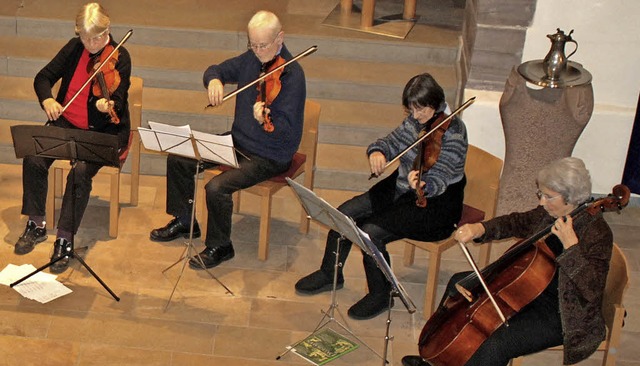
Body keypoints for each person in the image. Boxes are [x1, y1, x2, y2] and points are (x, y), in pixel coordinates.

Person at [401, 157, 613, 366]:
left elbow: (592, 289)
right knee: (459, 284)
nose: (541, 202)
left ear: (571, 198)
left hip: (561, 310)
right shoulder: (548, 214)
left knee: (498, 344)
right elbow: (517, 221)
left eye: (548, 197)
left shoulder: (597, 233)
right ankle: (442, 361)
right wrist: (481, 229)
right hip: (526, 288)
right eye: (540, 194)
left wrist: (571, 248)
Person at [295, 73, 468, 320]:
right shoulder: (415, 121)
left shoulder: (454, 134)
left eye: (421, 111)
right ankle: (329, 272)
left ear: (435, 104)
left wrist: (423, 183)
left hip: (435, 205)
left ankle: (381, 294)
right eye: (411, 110)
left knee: (371, 233)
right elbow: (390, 142)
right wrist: (377, 152)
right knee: (343, 213)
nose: (415, 116)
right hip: (400, 188)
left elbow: (440, 179)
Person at [150, 10, 306, 269]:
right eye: (252, 44)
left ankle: (221, 246)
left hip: (270, 155)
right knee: (180, 157)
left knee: (217, 187)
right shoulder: (251, 60)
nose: (257, 51)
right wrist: (214, 81)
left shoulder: (293, 76)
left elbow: (288, 132)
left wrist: (267, 119)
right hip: (238, 142)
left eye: (262, 45)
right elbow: (216, 69)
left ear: (280, 38)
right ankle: (185, 220)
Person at [14, 2, 131, 274]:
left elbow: (119, 100)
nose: (91, 44)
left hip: (103, 132)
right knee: (33, 155)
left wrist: (105, 106)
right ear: (78, 33)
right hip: (66, 122)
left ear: (108, 30)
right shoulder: (73, 47)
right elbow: (43, 77)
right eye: (85, 37)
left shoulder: (120, 56)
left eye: (97, 37)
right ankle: (36, 224)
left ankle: (65, 238)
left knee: (80, 173)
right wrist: (48, 100)